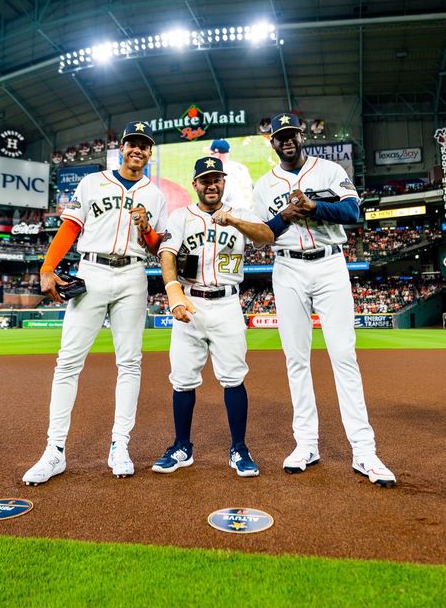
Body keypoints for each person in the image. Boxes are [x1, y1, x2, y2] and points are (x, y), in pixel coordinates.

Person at [251, 113, 396, 487]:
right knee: (296, 359)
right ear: (273, 142)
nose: (287, 140)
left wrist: (314, 208)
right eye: (280, 136)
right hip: (287, 270)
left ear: (302, 136)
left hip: (330, 265)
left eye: (292, 134)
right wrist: (288, 214)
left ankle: (364, 451)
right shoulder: (264, 185)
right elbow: (263, 235)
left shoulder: (329, 169)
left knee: (343, 356)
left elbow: (352, 211)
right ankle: (306, 444)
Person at [22, 121, 167, 485]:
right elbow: (70, 228)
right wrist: (47, 267)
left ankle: (120, 444)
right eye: (132, 143)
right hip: (92, 270)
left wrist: (146, 228)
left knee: (130, 363)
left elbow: (154, 246)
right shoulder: (91, 183)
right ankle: (54, 451)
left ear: (150, 153)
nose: (138, 150)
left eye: (144, 145)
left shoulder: (157, 194)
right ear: (122, 148)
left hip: (134, 275)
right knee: (68, 361)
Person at [151, 156, 273, 477]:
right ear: (195, 185)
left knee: (233, 377)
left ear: (223, 182)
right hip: (190, 304)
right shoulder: (181, 217)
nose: (211, 184)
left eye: (216, 178)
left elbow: (266, 236)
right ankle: (181, 447)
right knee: (182, 378)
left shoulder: (240, 215)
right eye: (204, 179)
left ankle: (239, 449)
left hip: (227, 305)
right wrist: (173, 290)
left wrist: (233, 221)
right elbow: (167, 253)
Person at [209, 139, 253, 209]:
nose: (209, 156)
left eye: (211, 153)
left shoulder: (219, 172)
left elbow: (218, 202)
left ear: (217, 155)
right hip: (248, 210)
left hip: (232, 214)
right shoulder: (241, 167)